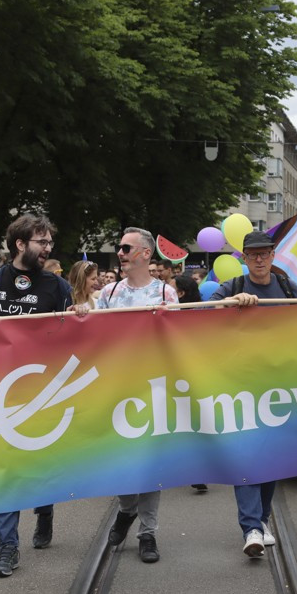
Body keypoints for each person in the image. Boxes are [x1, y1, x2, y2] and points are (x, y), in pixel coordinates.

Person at [0, 213, 78, 577]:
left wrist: (80, 315)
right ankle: (8, 545)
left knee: (40, 465)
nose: (49, 248)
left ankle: (45, 508)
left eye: (50, 243)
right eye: (42, 242)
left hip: (43, 391)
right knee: (5, 470)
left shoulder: (57, 285)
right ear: (21, 244)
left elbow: (73, 332)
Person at [208, 230, 297, 556]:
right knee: (246, 454)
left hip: (280, 389)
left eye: (264, 253)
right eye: (253, 254)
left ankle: (260, 520)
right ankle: (251, 527)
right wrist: (228, 305)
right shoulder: (231, 288)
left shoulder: (289, 288)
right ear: (244, 259)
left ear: (274, 255)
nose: (259, 259)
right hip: (240, 389)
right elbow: (199, 317)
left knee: (271, 458)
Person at [98, 227, 179, 563]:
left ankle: (148, 533)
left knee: (151, 465)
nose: (120, 252)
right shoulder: (108, 293)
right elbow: (94, 339)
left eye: (126, 248)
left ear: (146, 254)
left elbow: (179, 339)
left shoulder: (166, 294)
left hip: (154, 392)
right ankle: (126, 510)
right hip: (118, 391)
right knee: (121, 462)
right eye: (119, 248)